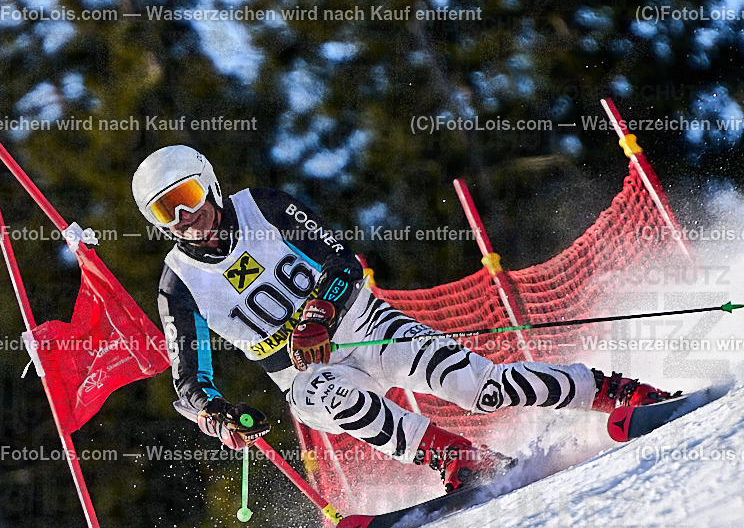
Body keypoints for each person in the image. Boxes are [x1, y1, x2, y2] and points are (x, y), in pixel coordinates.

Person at [132, 145, 675, 493]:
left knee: (480, 388)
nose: (186, 217)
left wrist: (321, 312)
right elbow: (189, 383)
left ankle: (607, 389)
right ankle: (458, 457)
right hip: (304, 375)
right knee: (330, 395)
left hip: (367, 327)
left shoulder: (264, 208)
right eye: (166, 211)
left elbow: (340, 260)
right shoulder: (179, 284)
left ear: (209, 184)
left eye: (188, 197)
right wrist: (220, 416)